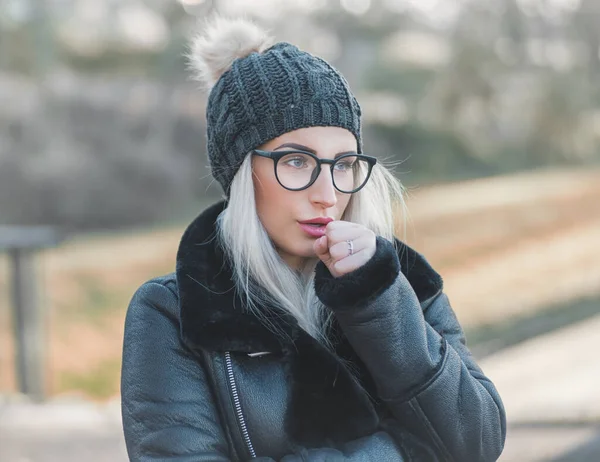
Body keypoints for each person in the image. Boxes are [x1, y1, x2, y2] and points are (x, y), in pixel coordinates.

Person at [120, 16, 506, 462]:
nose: (327, 196)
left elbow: (478, 444)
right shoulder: (173, 313)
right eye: (297, 161)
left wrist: (377, 304)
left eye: (342, 165)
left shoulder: (402, 286)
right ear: (243, 173)